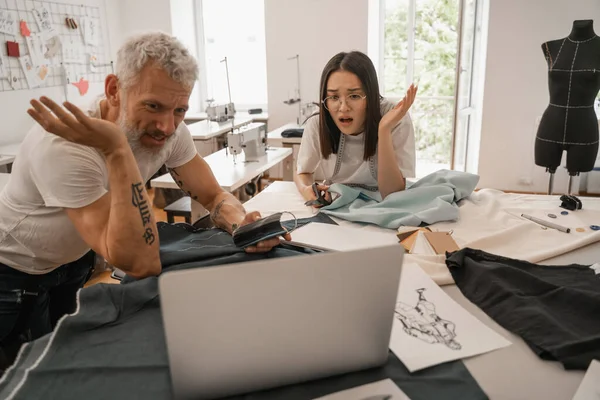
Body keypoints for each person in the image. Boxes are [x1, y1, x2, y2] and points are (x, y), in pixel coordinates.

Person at [0, 32, 288, 371]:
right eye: (153, 106)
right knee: (24, 375)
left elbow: (212, 194)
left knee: (70, 362)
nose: (166, 126)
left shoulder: (170, 131)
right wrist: (117, 149)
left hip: (74, 260)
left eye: (180, 110)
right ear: (113, 90)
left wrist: (242, 223)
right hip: (17, 271)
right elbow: (140, 262)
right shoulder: (66, 146)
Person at [294, 51, 417, 206]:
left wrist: (384, 130)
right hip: (337, 203)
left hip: (385, 205)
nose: (343, 108)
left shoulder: (395, 117)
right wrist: (307, 190)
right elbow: (303, 171)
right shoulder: (318, 123)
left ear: (371, 95)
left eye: (354, 96)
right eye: (333, 97)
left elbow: (392, 194)